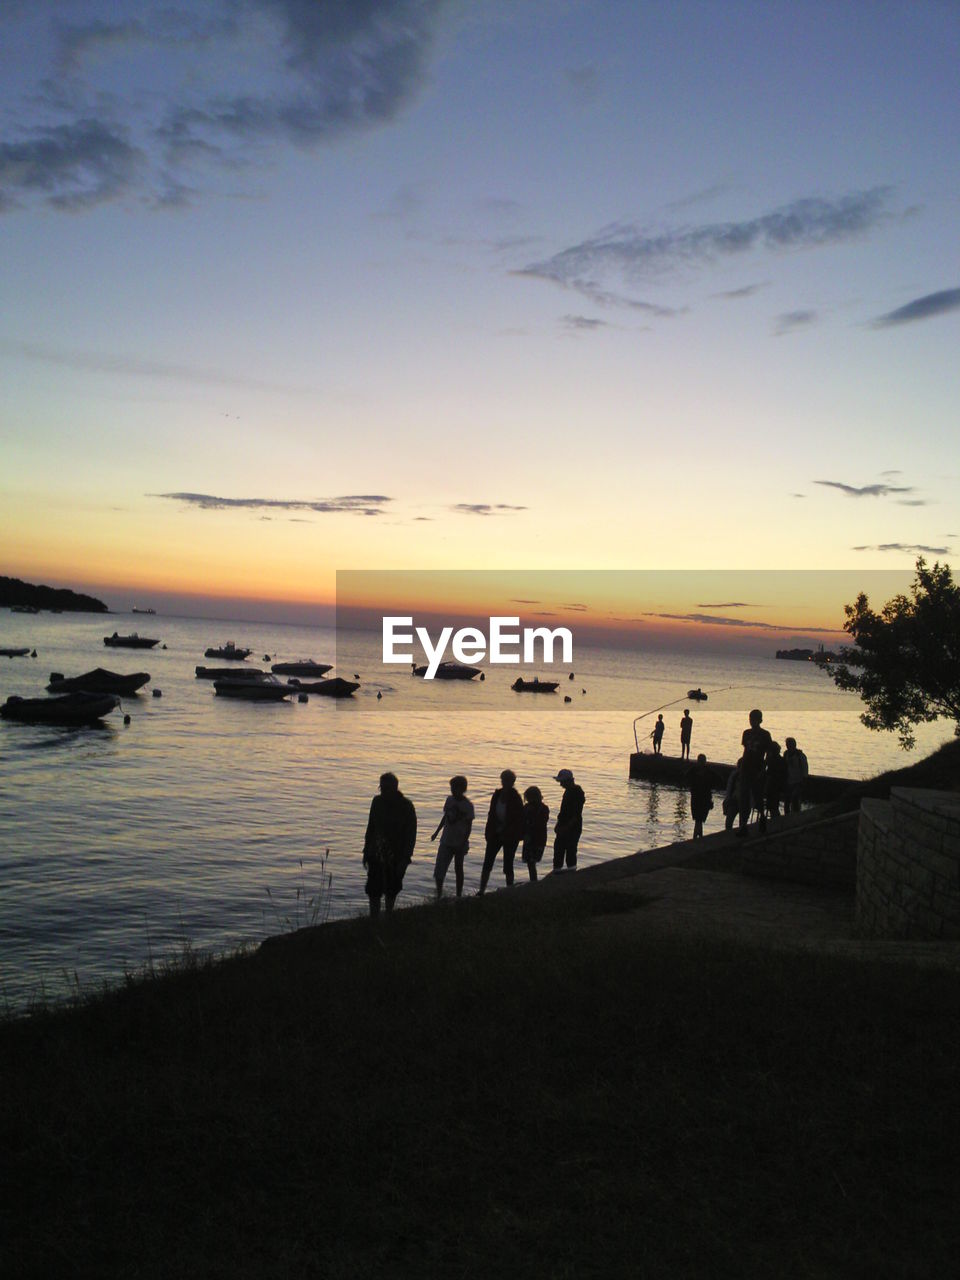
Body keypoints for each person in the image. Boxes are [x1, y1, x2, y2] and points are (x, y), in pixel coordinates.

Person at [362, 772, 417, 917]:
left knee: (391, 891)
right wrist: (366, 851)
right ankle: (374, 919)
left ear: (395, 788)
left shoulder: (406, 806)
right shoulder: (377, 802)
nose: (383, 791)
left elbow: (411, 835)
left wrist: (405, 859)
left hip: (396, 856)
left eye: (386, 788)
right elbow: (371, 827)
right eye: (382, 788)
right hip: (375, 853)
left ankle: (388, 918)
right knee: (373, 890)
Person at [478, 769, 524, 894]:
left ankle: (509, 890)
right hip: (495, 833)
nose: (505, 782)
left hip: (510, 836)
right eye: (503, 780)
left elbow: (518, 818)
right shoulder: (497, 795)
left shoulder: (516, 798)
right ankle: (481, 890)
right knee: (488, 861)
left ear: (512, 782)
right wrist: (489, 831)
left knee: (508, 864)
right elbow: (491, 814)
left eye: (508, 780)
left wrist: (507, 829)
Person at [430, 775, 474, 899]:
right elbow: (445, 818)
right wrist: (437, 832)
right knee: (440, 868)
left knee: (458, 868)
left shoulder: (468, 806)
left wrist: (464, 842)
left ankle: (459, 896)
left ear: (462, 789)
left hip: (460, 842)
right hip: (446, 840)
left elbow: (469, 826)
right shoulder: (449, 800)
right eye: (452, 788)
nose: (452, 790)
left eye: (455, 788)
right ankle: (438, 895)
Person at [738, 709, 773, 835]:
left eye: (754, 719)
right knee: (744, 799)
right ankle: (743, 826)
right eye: (751, 719)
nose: (752, 721)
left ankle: (762, 819)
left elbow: (768, 754)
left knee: (758, 797)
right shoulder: (746, 733)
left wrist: (763, 769)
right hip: (745, 769)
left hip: (757, 769)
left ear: (760, 720)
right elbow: (746, 750)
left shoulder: (765, 735)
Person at [553, 768, 586, 871]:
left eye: (562, 781)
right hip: (566, 825)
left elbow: (575, 814)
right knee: (560, 850)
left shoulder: (576, 792)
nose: (560, 784)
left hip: (571, 827)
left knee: (569, 850)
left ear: (568, 781)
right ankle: (560, 870)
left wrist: (565, 827)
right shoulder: (570, 791)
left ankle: (569, 871)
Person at [687, 753, 720, 839]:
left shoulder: (708, 772)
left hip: (705, 798)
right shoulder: (694, 771)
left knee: (699, 819)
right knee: (698, 819)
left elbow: (718, 779)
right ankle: (698, 836)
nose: (701, 763)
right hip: (696, 798)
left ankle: (696, 837)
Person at [520, 785, 549, 882]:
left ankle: (534, 881)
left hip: (535, 838)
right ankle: (533, 880)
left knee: (531, 861)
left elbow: (538, 823)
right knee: (531, 862)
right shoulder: (542, 808)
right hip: (536, 838)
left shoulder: (541, 809)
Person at [783, 737, 809, 814]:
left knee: (795, 799)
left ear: (794, 745)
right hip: (788, 781)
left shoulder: (800, 756)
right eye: (787, 745)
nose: (788, 746)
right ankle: (787, 816)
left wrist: (803, 780)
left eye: (790, 744)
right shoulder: (786, 754)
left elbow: (805, 768)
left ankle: (796, 815)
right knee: (787, 800)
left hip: (798, 781)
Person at [765, 741, 787, 823]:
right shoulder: (781, 760)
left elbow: (768, 771)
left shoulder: (774, 760)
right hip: (776, 785)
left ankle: (775, 820)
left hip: (773, 784)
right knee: (773, 805)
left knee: (772, 805)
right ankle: (775, 819)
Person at [722, 760, 742, 832]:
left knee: (741, 822)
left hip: (742, 801)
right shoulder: (734, 775)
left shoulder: (747, 776)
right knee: (729, 822)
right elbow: (729, 788)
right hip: (734, 800)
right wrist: (728, 799)